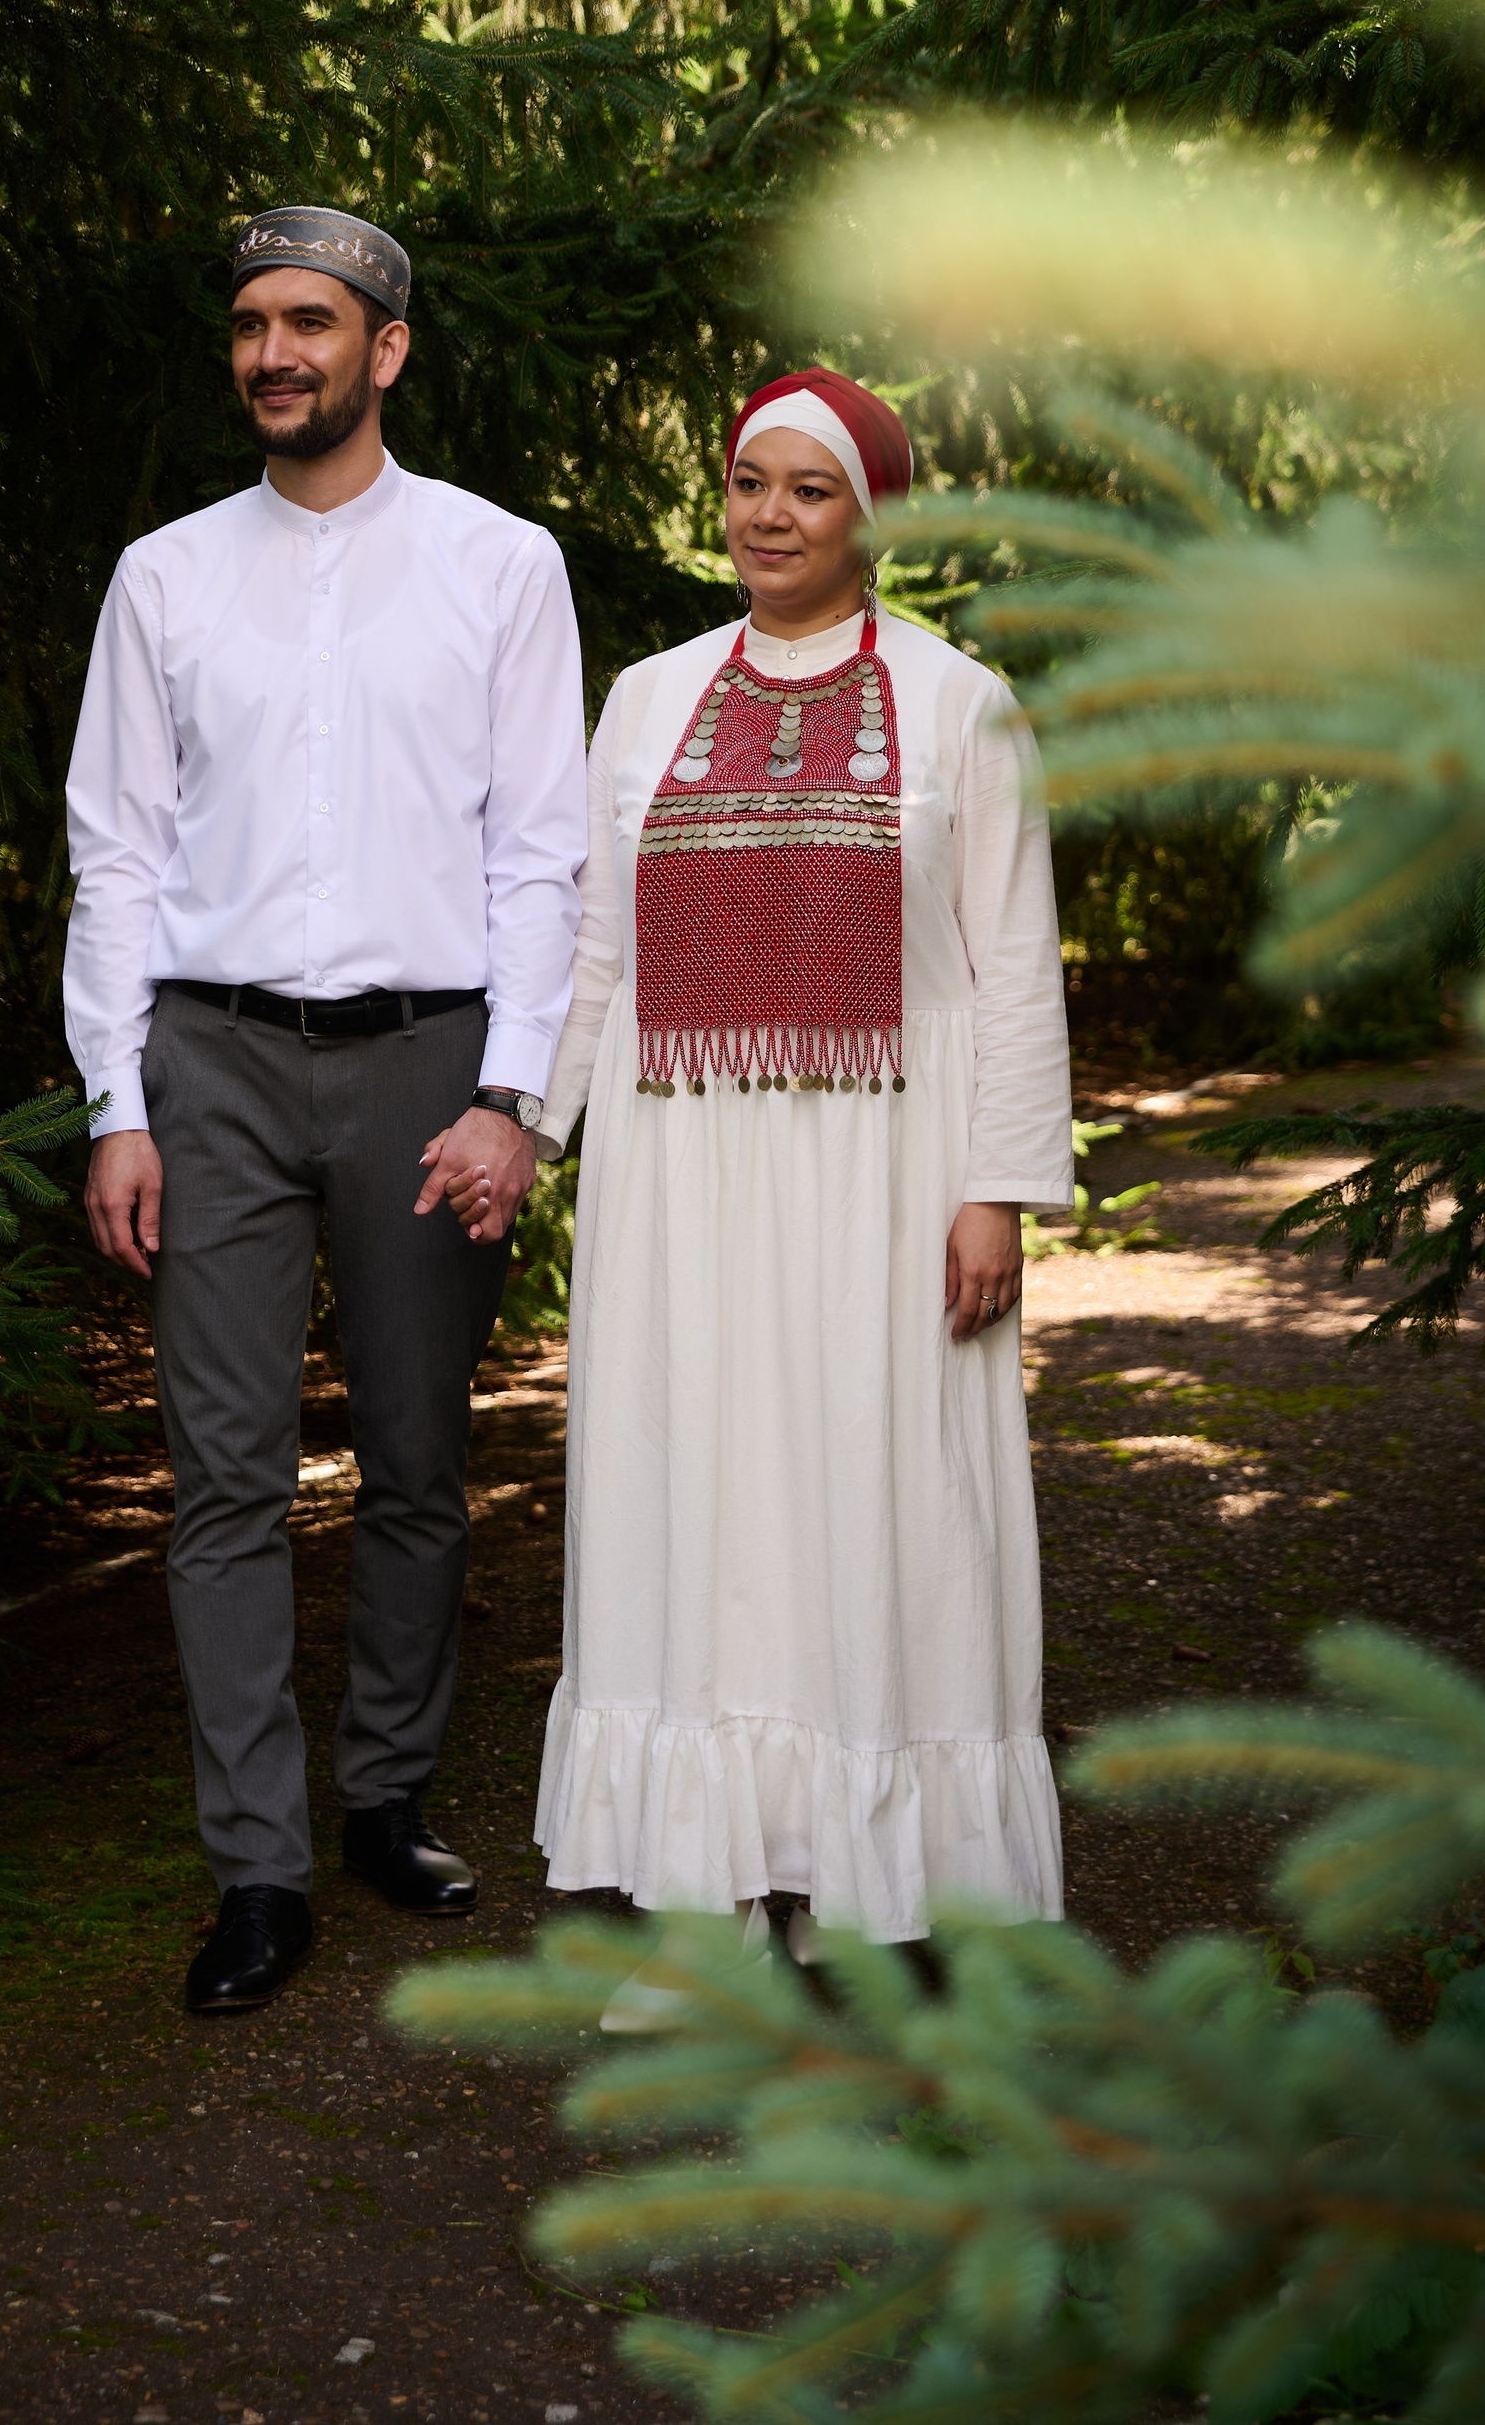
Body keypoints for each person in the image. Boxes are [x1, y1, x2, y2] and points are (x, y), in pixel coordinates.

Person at [63, 205, 587, 2014]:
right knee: (222, 1473)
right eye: (251, 326)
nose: (274, 353)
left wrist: (515, 1092)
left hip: (431, 1060)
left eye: (311, 321)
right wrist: (117, 1100)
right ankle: (257, 1869)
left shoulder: (501, 565)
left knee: (419, 1457)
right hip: (208, 1063)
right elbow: (117, 853)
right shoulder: (163, 578)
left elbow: (541, 854)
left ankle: (384, 1797)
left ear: (388, 347)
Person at [512, 368, 1073, 2003]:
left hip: (888, 1181)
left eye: (809, 488)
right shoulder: (647, 696)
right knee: (694, 1499)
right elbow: (597, 950)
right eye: (750, 480)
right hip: (683, 1181)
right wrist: (529, 1125)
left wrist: (999, 1186)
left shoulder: (964, 705)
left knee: (881, 1499)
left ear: (868, 515)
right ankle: (712, 1892)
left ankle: (865, 1875)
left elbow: (1013, 964)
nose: (770, 513)